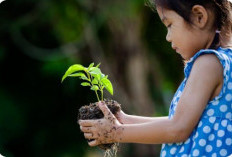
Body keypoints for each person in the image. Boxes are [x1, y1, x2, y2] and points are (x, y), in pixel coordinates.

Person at [79, 0, 232, 156]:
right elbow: (176, 122)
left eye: (170, 25)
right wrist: (125, 120)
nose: (168, 37)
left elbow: (177, 129)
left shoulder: (207, 64)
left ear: (199, 17)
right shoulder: (223, 61)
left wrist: (117, 133)